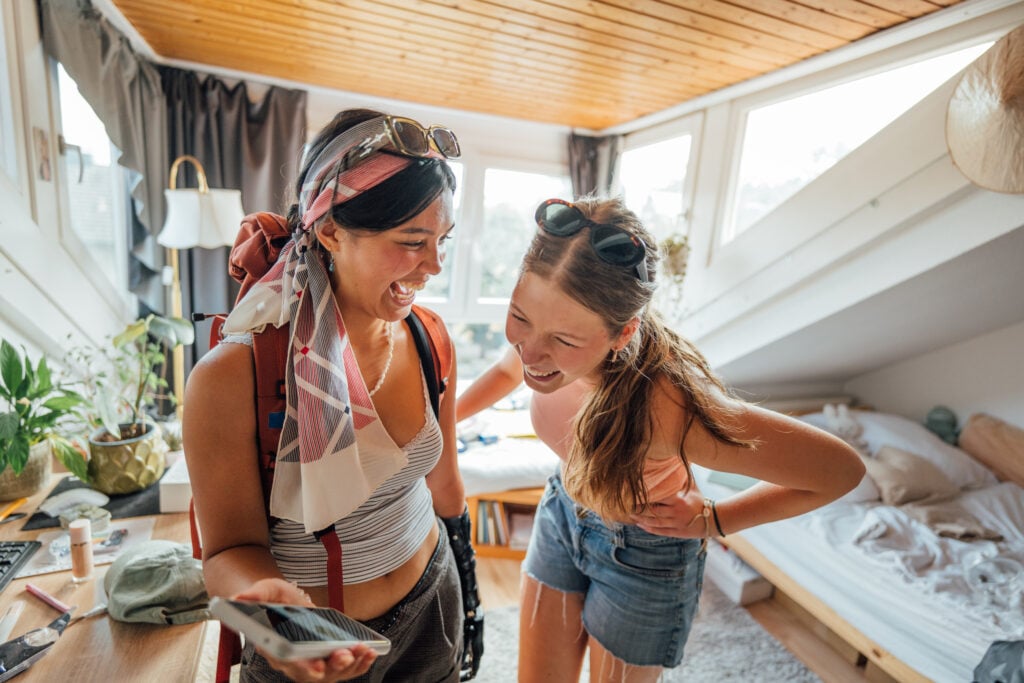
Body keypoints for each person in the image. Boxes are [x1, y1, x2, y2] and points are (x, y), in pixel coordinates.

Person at [456, 196, 865, 682]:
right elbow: (508, 369)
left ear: (622, 333)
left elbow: (840, 471)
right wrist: (437, 424)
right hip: (562, 511)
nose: (531, 352)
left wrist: (715, 518)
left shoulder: (672, 408)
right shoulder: (535, 346)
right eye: (520, 318)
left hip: (646, 551)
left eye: (564, 341)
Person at [184, 109, 482, 683]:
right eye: (413, 241)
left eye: (442, 239)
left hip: (432, 603)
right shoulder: (232, 377)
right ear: (330, 231)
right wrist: (273, 617)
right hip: (312, 645)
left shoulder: (430, 338)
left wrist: (467, 582)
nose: (435, 265)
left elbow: (443, 479)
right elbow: (224, 553)